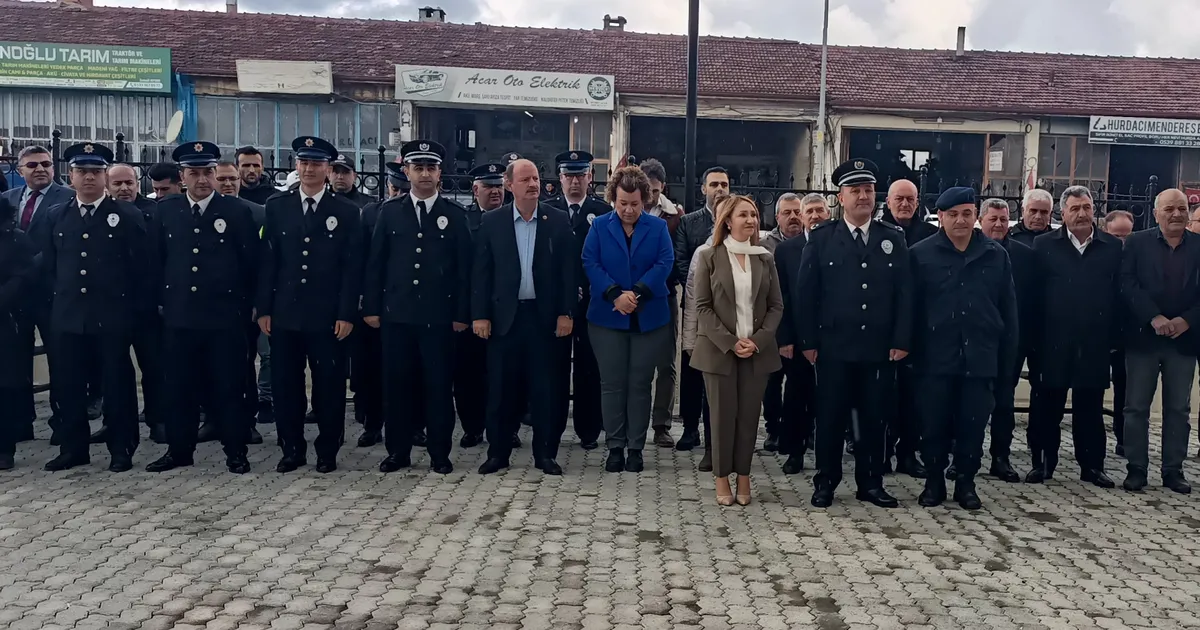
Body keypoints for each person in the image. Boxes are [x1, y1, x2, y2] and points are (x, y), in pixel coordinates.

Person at [798, 158, 912, 509]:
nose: (863, 196)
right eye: (855, 190)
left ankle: (871, 483)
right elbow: (806, 294)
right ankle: (826, 481)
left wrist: (901, 339)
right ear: (841, 197)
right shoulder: (822, 238)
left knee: (874, 418)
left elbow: (905, 294)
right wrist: (808, 342)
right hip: (834, 346)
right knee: (830, 417)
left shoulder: (892, 238)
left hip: (878, 348)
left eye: (868, 190)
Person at [146, 141, 258, 474]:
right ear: (182, 177)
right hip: (180, 317)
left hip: (224, 317)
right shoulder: (166, 211)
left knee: (229, 387)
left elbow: (251, 264)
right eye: (194, 173)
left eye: (208, 172)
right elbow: (155, 263)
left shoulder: (236, 211)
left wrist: (249, 307)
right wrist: (161, 304)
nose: (202, 179)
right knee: (179, 387)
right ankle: (179, 450)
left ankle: (235, 451)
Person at [363, 140, 471, 475]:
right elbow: (376, 263)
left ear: (440, 173)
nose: (425, 174)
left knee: (438, 388)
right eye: (418, 168)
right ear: (406, 172)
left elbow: (464, 271)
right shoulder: (389, 212)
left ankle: (440, 453)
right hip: (398, 316)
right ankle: (398, 451)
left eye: (431, 168)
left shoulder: (455, 215)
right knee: (397, 387)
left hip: (439, 319)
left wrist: (461, 314)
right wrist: (372, 307)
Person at [39, 143, 149, 473]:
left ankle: (121, 448)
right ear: (70, 176)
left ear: (104, 176)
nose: (89, 177)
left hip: (112, 317)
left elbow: (141, 269)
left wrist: (134, 314)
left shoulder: (127, 215)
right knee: (69, 385)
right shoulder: (56, 215)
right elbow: (49, 267)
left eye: (96, 172)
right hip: (69, 317)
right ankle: (74, 448)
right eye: (81, 171)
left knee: (117, 386)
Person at [258, 136, 362, 474]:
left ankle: (328, 450)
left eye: (316, 164)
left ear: (328, 169)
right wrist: (265, 308)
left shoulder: (346, 211)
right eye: (304, 163)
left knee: (328, 387)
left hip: (327, 315)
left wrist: (346, 313)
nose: (308, 169)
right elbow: (269, 261)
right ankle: (292, 448)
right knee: (286, 386)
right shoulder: (277, 206)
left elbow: (352, 267)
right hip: (285, 313)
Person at [910, 188, 1018, 510]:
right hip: (935, 357)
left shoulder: (995, 255)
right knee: (934, 424)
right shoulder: (920, 254)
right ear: (940, 217)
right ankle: (934, 481)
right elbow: (910, 309)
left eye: (967, 214)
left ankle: (966, 483)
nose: (960, 220)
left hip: (980, 356)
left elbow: (1008, 309)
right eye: (953, 214)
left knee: (973, 424)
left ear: (975, 217)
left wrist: (1007, 358)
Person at [473, 158, 576, 476]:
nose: (533, 184)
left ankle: (545, 454)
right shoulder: (493, 222)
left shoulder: (556, 220)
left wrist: (566, 312)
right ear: (509, 185)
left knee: (545, 389)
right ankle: (498, 453)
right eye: (525, 180)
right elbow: (481, 272)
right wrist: (480, 315)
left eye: (536, 178)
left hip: (543, 319)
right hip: (505, 318)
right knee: (501, 390)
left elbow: (569, 271)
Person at [690, 195, 784, 505]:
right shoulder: (709, 256)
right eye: (744, 215)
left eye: (754, 215)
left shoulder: (764, 258)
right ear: (727, 221)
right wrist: (731, 342)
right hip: (720, 352)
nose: (751, 220)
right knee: (721, 418)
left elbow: (776, 306)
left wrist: (757, 340)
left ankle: (743, 475)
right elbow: (703, 307)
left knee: (748, 419)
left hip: (756, 352)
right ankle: (721, 478)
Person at [1027, 186, 1122, 488]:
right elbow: (1034, 295)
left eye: (1087, 207)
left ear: (1094, 210)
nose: (1082, 214)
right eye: (1075, 208)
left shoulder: (1112, 247)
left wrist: (1114, 339)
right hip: (1052, 342)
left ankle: (1092, 467)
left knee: (1090, 409)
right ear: (1062, 212)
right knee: (1046, 408)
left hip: (1094, 343)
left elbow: (1119, 295)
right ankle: (1042, 464)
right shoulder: (1043, 245)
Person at [582, 165, 674, 473]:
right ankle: (615, 447)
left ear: (644, 199)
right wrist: (614, 294)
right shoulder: (599, 227)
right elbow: (590, 262)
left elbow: (665, 262)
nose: (628, 210)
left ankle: (636, 447)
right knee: (612, 384)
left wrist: (636, 293)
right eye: (622, 203)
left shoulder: (658, 228)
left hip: (649, 318)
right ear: (613, 198)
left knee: (640, 384)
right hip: (607, 317)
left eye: (634, 204)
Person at [1118, 189, 1197, 494]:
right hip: (1144, 339)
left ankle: (1173, 470)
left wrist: (1186, 320)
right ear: (1155, 214)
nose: (1176, 214)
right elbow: (1127, 283)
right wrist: (1153, 316)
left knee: (1178, 409)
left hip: (1184, 341)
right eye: (1169, 209)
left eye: (1181, 208)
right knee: (1136, 407)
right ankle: (1136, 468)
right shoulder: (1136, 243)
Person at [4, 145, 73, 440]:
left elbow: (63, 245)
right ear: (20, 171)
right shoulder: (8, 199)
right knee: (15, 361)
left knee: (61, 361)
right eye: (32, 165)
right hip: (14, 298)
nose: (40, 169)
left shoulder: (68, 198)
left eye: (46, 163)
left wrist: (29, 269)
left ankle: (63, 423)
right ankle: (21, 423)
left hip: (51, 292)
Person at [546, 150, 608, 451]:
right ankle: (552, 428)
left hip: (592, 302)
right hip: (557, 302)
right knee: (554, 368)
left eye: (580, 175)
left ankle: (588, 430)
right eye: (568, 175)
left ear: (589, 177)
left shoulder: (603, 212)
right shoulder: (548, 210)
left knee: (589, 368)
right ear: (560, 178)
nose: (574, 182)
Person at [977, 198, 1040, 482]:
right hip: (975, 341)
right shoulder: (968, 249)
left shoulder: (1025, 256)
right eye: (993, 219)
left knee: (1004, 402)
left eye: (1004, 219)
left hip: (1011, 342)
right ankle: (966, 456)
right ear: (981, 220)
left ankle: (1000, 457)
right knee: (970, 402)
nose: (999, 224)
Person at [106, 163, 168, 445]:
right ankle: (115, 424)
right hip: (111, 308)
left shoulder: (156, 212)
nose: (124, 188)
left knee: (154, 367)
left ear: (137, 183)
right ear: (108, 185)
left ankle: (159, 421)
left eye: (129, 183)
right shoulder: (100, 213)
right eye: (117, 184)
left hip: (147, 307)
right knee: (113, 371)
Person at [673, 166, 731, 461]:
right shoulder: (689, 222)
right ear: (703, 189)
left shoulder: (734, 220)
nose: (719, 189)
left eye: (724, 184)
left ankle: (718, 434)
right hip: (696, 306)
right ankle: (690, 427)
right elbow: (682, 261)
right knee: (692, 369)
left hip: (728, 312)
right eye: (714, 184)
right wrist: (702, 290)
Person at [880, 179, 937, 478]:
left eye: (910, 199)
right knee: (882, 398)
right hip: (882, 327)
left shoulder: (930, 234)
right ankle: (882, 452)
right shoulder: (877, 231)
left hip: (919, 328)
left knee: (914, 399)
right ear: (888, 201)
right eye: (899, 199)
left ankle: (908, 454)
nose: (904, 204)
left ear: (918, 202)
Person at [773, 193, 828, 474]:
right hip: (797, 337)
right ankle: (794, 452)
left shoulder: (837, 242)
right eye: (810, 211)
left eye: (820, 210)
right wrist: (784, 338)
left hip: (831, 336)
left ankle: (825, 454)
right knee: (796, 397)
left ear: (828, 214)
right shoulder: (786, 250)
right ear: (803, 217)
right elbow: (781, 297)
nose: (815, 216)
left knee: (828, 399)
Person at [454, 162, 505, 449]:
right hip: (471, 309)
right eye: (488, 186)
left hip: (504, 310)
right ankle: (472, 427)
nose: (495, 191)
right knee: (468, 374)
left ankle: (505, 428)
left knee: (504, 374)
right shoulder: (463, 220)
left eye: (499, 186)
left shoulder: (512, 218)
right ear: (475, 190)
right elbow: (459, 270)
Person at [759, 193, 805, 454]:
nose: (793, 217)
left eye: (797, 212)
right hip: (772, 325)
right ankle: (773, 429)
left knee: (800, 383)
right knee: (772, 382)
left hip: (801, 325)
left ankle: (800, 431)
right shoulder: (765, 245)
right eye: (787, 213)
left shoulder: (811, 242)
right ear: (777, 217)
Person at [640, 158, 681, 448]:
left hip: (664, 294)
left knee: (666, 363)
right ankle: (635, 422)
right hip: (632, 295)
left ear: (663, 187)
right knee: (637, 364)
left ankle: (662, 424)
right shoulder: (627, 211)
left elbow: (676, 258)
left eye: (656, 190)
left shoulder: (674, 216)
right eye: (648, 189)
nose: (651, 196)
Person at [0, 198, 38, 470]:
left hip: (6, 320)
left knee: (4, 388)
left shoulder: (15, 239)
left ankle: (4, 448)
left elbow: (22, 277)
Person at [1102, 210, 1134, 456]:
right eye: (1117, 236)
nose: (1122, 241)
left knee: (1125, 389)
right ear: (1106, 232)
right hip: (1101, 333)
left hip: (1127, 336)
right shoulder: (1100, 256)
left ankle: (1123, 438)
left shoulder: (1137, 257)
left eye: (1127, 236)